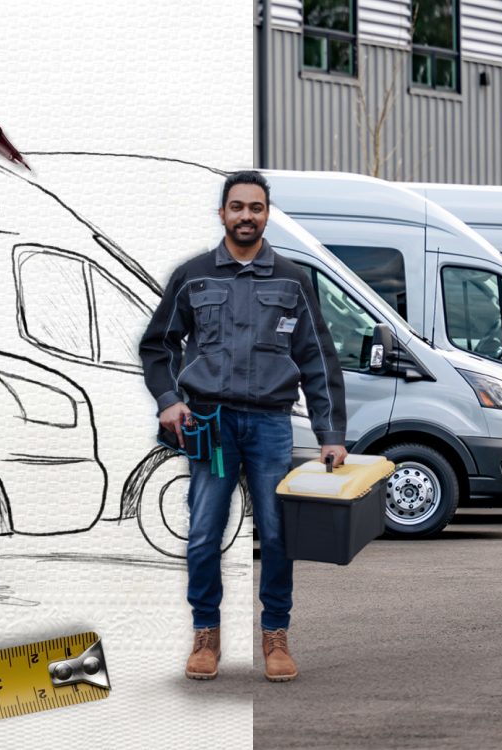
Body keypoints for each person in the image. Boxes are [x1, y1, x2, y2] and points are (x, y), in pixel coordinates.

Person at [138, 170, 347, 682]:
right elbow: (157, 345)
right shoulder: (193, 276)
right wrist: (168, 400)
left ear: (266, 214)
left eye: (256, 208)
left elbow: (319, 359)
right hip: (209, 423)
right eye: (237, 207)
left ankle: (276, 635)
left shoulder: (293, 281)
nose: (246, 216)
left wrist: (331, 434)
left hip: (271, 425)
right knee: (205, 533)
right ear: (223, 213)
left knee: (278, 535)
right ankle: (205, 634)